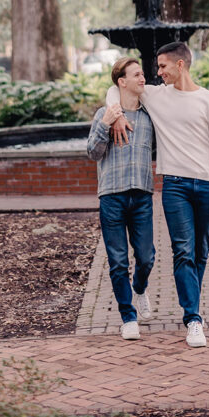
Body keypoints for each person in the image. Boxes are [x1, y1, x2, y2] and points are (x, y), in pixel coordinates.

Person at [107, 41, 209, 349]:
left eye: (162, 66)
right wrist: (117, 114)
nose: (157, 72)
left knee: (201, 251)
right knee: (183, 251)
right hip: (174, 185)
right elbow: (115, 87)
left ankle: (192, 305)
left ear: (180, 65)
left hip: (207, 185)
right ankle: (193, 319)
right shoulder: (157, 96)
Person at [87, 56, 155, 341]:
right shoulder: (104, 114)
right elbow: (93, 153)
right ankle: (128, 317)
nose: (143, 78)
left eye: (142, 74)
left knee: (147, 257)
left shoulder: (150, 117)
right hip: (111, 197)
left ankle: (139, 289)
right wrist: (107, 122)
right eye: (136, 74)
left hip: (142, 196)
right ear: (121, 82)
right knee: (117, 262)